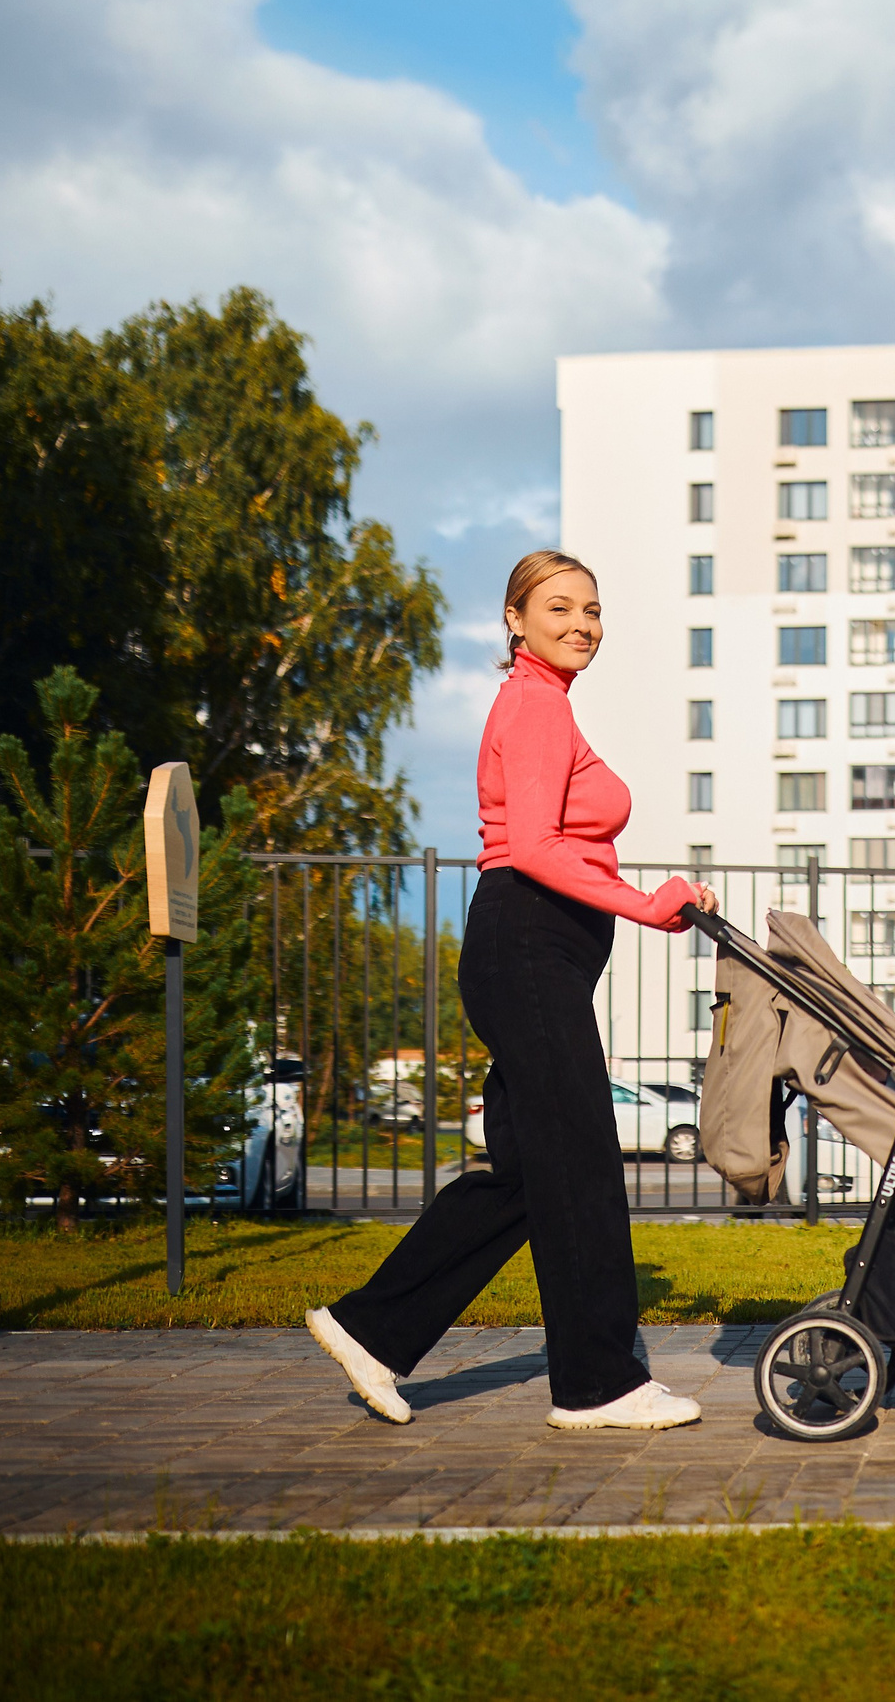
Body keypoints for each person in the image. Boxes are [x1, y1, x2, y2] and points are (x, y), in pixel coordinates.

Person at [307, 551, 714, 1430]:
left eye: (593, 610)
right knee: (585, 1161)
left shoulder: (548, 706)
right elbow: (533, 848)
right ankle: (600, 1383)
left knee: (532, 1175)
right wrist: (649, 906)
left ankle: (371, 1328)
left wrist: (656, 907)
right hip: (527, 943)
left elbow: (558, 844)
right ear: (515, 620)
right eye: (559, 607)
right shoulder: (532, 703)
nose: (582, 623)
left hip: (537, 950)